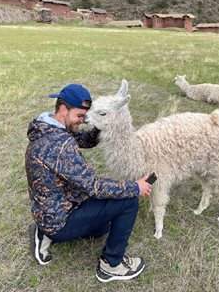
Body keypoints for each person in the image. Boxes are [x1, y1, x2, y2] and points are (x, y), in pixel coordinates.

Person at [25, 83, 153, 283]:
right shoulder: (59, 145)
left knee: (104, 228)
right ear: (63, 109)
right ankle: (111, 265)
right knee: (128, 201)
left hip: (52, 208)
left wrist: (105, 122)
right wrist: (135, 187)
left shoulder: (49, 126)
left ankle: (44, 232)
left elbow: (86, 140)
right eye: (79, 116)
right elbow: (95, 187)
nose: (82, 121)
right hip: (60, 219)